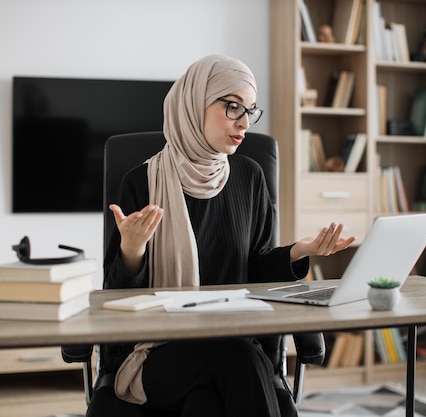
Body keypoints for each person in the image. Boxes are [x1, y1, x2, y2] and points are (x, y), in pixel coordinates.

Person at [94, 54, 356, 417]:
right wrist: (133, 250)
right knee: (236, 356)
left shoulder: (250, 176)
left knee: (207, 404)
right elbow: (115, 302)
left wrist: (299, 250)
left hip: (234, 344)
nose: (244, 122)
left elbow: (259, 267)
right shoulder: (141, 183)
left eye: (250, 111)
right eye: (233, 107)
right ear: (193, 104)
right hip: (156, 352)